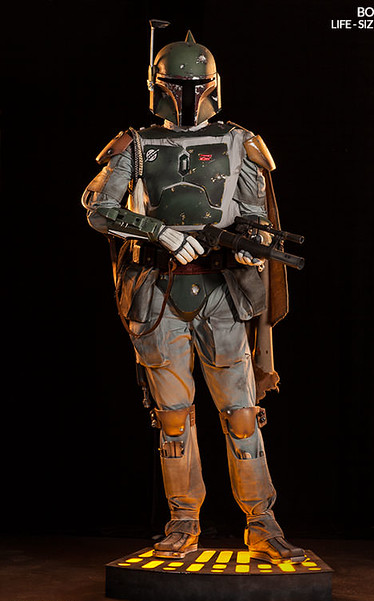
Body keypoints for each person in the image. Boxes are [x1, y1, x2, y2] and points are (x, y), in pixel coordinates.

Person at [81, 26, 305, 565]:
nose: (187, 95)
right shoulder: (135, 144)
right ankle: (183, 521)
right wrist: (158, 232)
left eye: (195, 86)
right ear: (159, 86)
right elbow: (98, 209)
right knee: (173, 418)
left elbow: (255, 216)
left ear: (212, 86)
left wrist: (253, 252)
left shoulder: (239, 142)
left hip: (222, 293)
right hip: (157, 294)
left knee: (242, 413)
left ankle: (262, 522)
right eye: (178, 86)